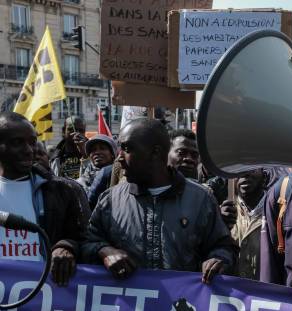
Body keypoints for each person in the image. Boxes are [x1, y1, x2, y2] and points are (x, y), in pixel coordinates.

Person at [82, 119, 237, 282]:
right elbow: (87, 243)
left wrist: (219, 259)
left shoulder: (201, 199)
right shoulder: (110, 200)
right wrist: (104, 251)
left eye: (127, 149)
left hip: (181, 305)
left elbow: (223, 246)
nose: (119, 157)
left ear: (155, 152)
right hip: (129, 306)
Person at [0, 112, 91, 286]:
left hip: (46, 299)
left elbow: (88, 240)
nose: (29, 151)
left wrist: (66, 246)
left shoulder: (64, 190)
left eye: (32, 142)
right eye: (17, 143)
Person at [230, 168, 267, 280]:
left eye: (252, 169)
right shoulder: (224, 212)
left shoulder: (277, 211)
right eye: (240, 168)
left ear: (264, 177)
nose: (245, 174)